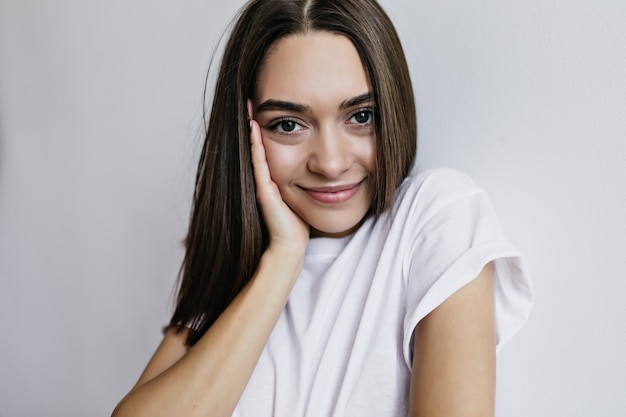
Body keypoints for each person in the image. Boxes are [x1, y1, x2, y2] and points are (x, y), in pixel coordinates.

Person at [112, 0, 533, 416]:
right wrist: (283, 260)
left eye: (361, 116)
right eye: (289, 125)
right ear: (246, 134)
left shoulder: (435, 218)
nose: (330, 163)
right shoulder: (240, 279)